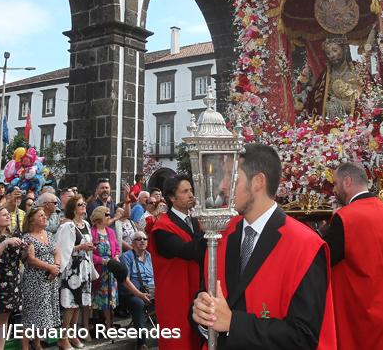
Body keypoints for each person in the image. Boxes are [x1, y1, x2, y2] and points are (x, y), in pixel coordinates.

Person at [192, 143, 335, 349]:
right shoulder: (219, 234)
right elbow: (205, 299)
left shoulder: (306, 245)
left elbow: (304, 336)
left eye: (232, 178)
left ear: (258, 182)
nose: (222, 185)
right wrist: (202, 316)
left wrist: (233, 323)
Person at [324, 161, 383, 350]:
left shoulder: (346, 217)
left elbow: (324, 259)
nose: (334, 190)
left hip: (361, 312)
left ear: (347, 182)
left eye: (336, 184)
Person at [149, 175, 204, 349]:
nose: (191, 195)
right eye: (185, 191)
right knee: (178, 343)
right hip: (175, 297)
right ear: (172, 198)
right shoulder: (162, 227)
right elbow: (189, 251)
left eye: (191, 191)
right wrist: (211, 230)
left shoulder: (196, 222)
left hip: (196, 293)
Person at [55, 196, 95, 349]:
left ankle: (72, 334)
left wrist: (89, 248)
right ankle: (63, 337)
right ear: (73, 208)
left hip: (84, 267)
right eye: (80, 204)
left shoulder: (85, 224)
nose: (83, 206)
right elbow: (61, 249)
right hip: (72, 269)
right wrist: (80, 247)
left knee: (79, 303)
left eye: (84, 203)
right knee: (70, 304)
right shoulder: (67, 226)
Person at [0, 205, 25, 350]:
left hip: (11, 282)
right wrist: (6, 242)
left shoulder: (11, 235)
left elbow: (20, 259)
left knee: (4, 320)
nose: (8, 216)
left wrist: (26, 249)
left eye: (8, 214)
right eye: (3, 215)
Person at [21, 207, 61, 350]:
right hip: (35, 280)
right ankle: (25, 346)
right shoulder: (27, 237)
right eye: (41, 216)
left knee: (43, 313)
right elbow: (31, 260)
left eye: (45, 215)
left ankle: (37, 343)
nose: (45, 218)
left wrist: (56, 266)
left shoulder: (49, 234)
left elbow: (57, 252)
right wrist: (49, 268)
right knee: (31, 312)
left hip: (50, 279)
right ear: (32, 219)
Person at [119, 230, 153, 350]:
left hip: (151, 292)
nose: (142, 241)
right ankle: (141, 343)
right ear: (132, 243)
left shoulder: (150, 256)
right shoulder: (126, 257)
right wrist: (140, 294)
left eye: (145, 239)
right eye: (139, 239)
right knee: (139, 304)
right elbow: (125, 281)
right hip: (132, 294)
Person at [90, 205, 120, 330]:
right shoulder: (92, 232)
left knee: (110, 300)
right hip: (98, 270)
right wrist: (101, 261)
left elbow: (117, 248)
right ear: (100, 217)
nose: (109, 217)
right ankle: (94, 324)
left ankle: (109, 324)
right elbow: (89, 253)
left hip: (111, 271)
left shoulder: (111, 232)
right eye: (107, 214)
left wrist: (117, 256)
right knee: (97, 299)